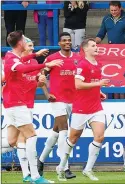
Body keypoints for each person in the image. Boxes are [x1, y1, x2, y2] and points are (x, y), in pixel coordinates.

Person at [1, 30, 63, 183]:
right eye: (24, 40)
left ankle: (30, 175)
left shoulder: (12, 56)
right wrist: (46, 63)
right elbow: (21, 68)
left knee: (11, 140)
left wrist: (36, 56)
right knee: (32, 136)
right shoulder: (10, 59)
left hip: (14, 104)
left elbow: (24, 63)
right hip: (16, 103)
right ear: (20, 43)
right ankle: (35, 176)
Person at [57, 38, 110, 181]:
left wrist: (99, 92)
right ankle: (61, 166)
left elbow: (91, 84)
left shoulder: (98, 64)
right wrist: (98, 83)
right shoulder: (82, 65)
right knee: (73, 139)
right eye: (93, 45)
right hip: (81, 108)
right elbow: (78, 85)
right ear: (85, 49)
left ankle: (88, 169)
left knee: (99, 136)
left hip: (96, 107)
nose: (96, 47)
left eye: (96, 45)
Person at [37, 32, 82, 179]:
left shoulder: (77, 58)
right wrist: (46, 93)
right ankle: (64, 167)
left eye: (69, 40)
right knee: (64, 131)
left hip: (73, 99)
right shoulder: (52, 58)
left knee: (56, 132)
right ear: (59, 43)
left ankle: (41, 160)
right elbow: (41, 76)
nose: (67, 42)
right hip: (58, 99)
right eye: (64, 40)